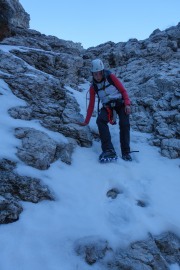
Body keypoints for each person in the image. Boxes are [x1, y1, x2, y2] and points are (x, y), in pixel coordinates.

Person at [79, 59, 132, 162]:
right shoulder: (93, 87)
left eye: (99, 73)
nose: (98, 76)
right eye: (95, 74)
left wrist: (127, 104)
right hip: (108, 106)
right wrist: (86, 121)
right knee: (100, 121)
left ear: (103, 72)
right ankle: (108, 149)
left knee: (125, 124)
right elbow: (91, 105)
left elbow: (123, 91)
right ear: (92, 74)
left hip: (120, 103)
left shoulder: (111, 77)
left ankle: (126, 152)